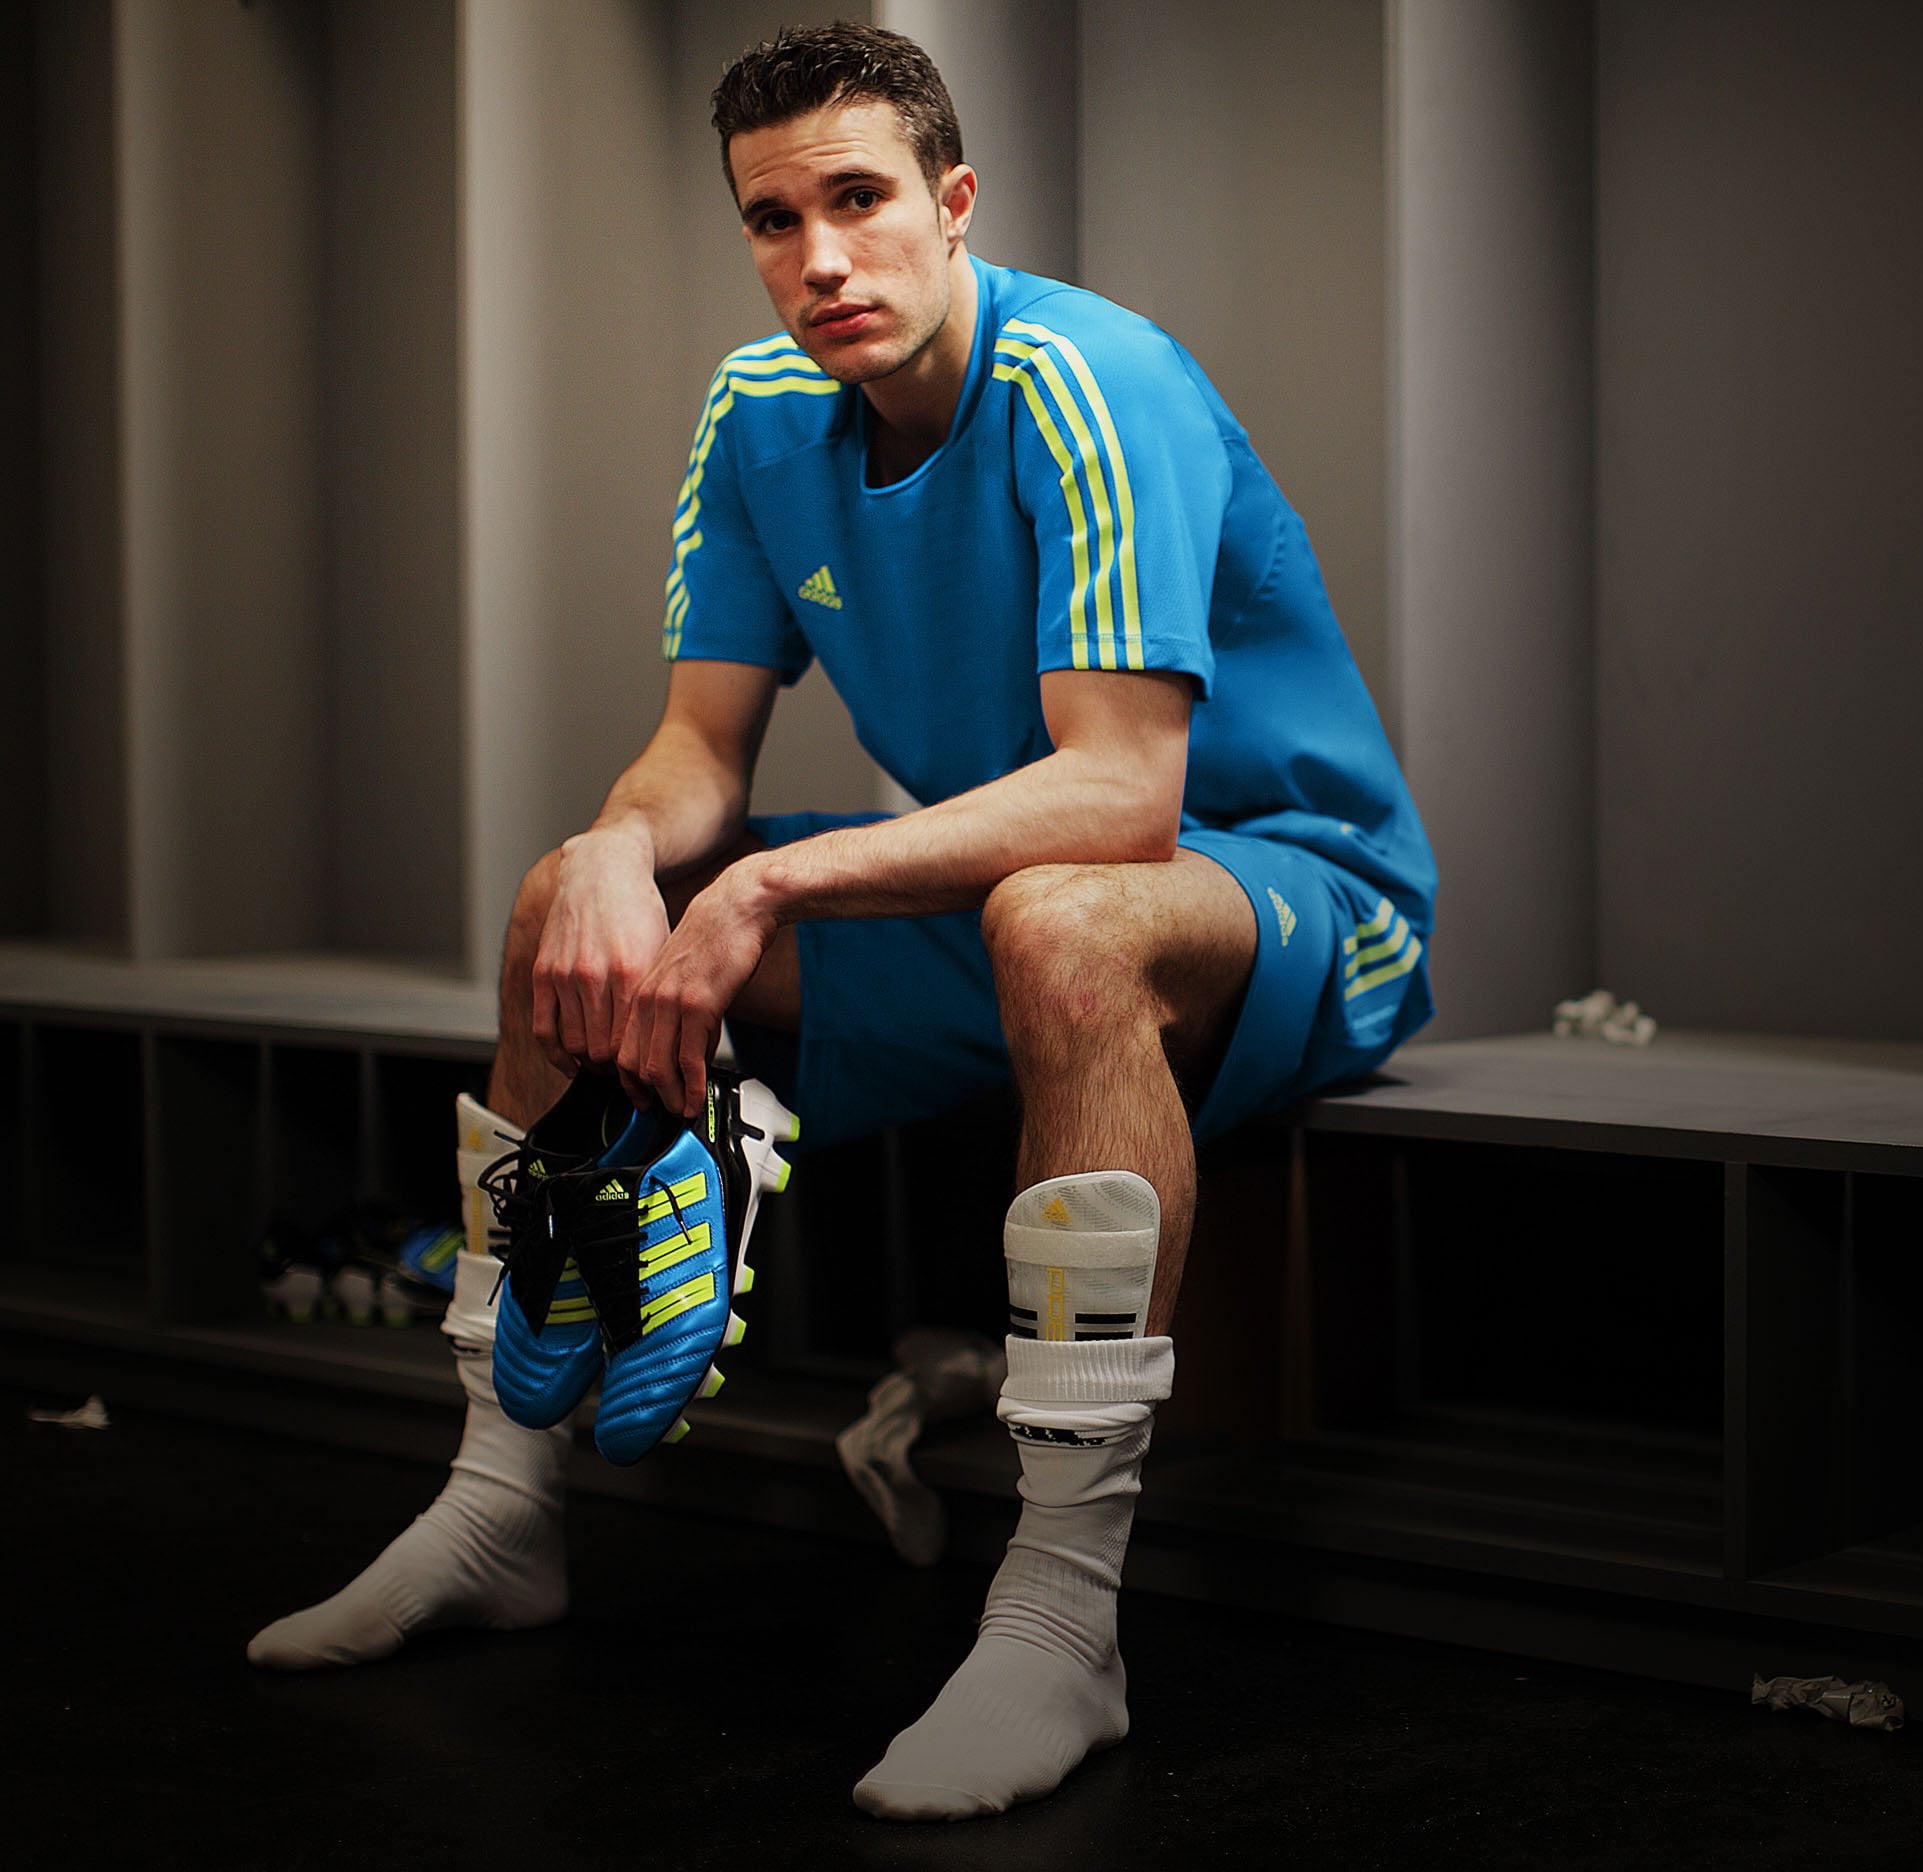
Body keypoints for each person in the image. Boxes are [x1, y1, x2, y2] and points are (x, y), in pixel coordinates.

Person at [245, 21, 1434, 1825]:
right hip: (992, 888)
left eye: (861, 201)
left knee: (1062, 919)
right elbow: (697, 749)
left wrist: (777, 883)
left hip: (1297, 898)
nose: (818, 259)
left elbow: (1123, 797)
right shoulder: (760, 413)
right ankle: (501, 1508)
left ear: (953, 205)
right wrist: (620, 856)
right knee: (559, 907)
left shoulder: (1091, 380)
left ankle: (1060, 1624)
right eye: (772, 216)